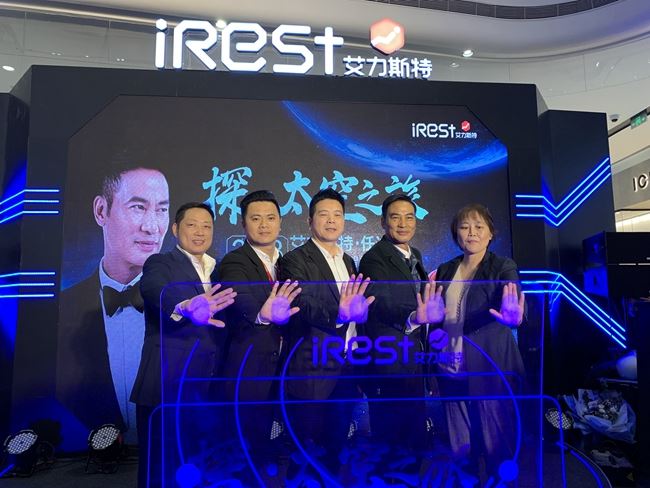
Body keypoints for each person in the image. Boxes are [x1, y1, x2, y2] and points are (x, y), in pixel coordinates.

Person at [56, 165, 170, 442]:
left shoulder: (180, 303)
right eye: (138, 207)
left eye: (162, 210)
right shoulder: (63, 309)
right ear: (101, 211)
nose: (152, 227)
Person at [130, 202, 237, 488]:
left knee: (198, 463)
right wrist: (186, 305)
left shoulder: (218, 270)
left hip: (207, 386)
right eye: (192, 225)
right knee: (160, 465)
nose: (200, 232)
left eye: (206, 226)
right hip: (167, 382)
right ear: (176, 229)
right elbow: (154, 289)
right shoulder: (160, 263)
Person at [278, 188, 374, 476]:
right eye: (324, 214)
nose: (331, 220)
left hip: (347, 367)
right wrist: (340, 314)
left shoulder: (348, 261)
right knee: (305, 451)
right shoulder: (294, 259)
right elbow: (302, 303)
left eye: (337, 215)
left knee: (336, 449)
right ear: (310, 221)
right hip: (312, 368)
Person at [434, 203, 525, 479]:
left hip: (489, 368)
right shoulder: (446, 269)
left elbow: (513, 296)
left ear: (490, 233)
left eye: (478, 226)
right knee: (460, 448)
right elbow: (437, 316)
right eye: (464, 227)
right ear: (456, 234)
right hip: (450, 366)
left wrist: (515, 317)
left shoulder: (502, 266)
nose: (471, 232)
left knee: (498, 446)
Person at [216, 190, 300, 478]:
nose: (264, 225)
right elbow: (240, 299)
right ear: (243, 224)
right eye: (255, 218)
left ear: (280, 222)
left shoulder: (288, 263)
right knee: (246, 451)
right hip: (249, 370)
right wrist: (262, 314)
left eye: (270, 218)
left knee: (277, 450)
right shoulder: (234, 261)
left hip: (284, 368)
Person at [358, 193, 444, 459]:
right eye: (396, 217)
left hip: (415, 362)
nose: (403, 224)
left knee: (414, 438)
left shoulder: (414, 255)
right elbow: (382, 301)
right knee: (390, 443)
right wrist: (413, 317)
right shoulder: (374, 258)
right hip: (390, 362)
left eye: (409, 217)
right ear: (384, 222)